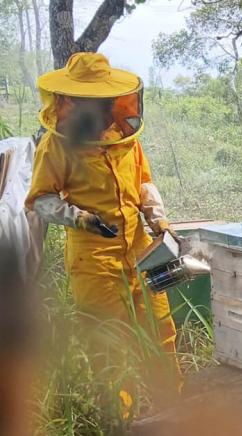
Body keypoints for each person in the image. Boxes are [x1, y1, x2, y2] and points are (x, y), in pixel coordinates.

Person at [24, 52, 180, 412]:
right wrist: (79, 217)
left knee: (162, 330)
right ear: (73, 102)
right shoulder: (57, 144)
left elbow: (143, 184)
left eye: (106, 99)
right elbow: (40, 200)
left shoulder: (124, 137)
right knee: (108, 344)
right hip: (93, 258)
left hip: (142, 252)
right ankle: (119, 420)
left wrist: (159, 221)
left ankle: (175, 410)